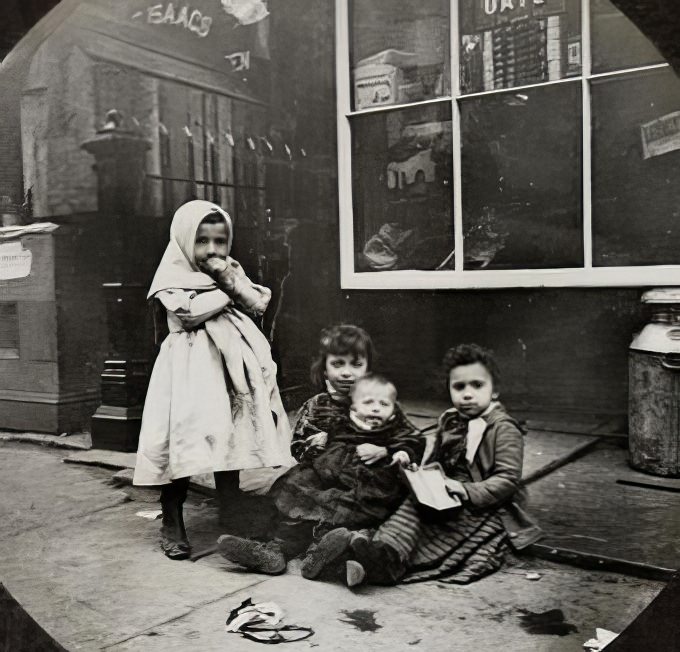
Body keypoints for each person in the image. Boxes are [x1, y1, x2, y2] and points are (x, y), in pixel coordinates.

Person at [133, 200, 293, 560]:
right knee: (187, 436)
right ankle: (172, 516)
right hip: (190, 368)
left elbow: (259, 301)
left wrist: (235, 284)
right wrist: (229, 289)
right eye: (201, 241)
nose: (211, 250)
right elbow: (189, 314)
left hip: (230, 364)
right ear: (184, 240)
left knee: (230, 431)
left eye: (219, 241)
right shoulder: (171, 274)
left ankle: (230, 506)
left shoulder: (229, 269)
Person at [317, 343, 543, 586]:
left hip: (484, 502)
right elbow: (436, 461)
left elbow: (507, 480)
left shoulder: (504, 429)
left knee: (439, 532)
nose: (467, 394)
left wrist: (466, 490)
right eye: (459, 387)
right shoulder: (450, 419)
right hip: (445, 490)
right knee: (407, 507)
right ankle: (369, 555)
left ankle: (382, 564)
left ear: (495, 391)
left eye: (477, 386)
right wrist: (421, 475)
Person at [216, 336, 422, 581]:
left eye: (356, 365)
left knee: (352, 512)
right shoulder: (317, 405)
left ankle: (320, 553)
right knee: (292, 489)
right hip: (322, 472)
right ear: (324, 370)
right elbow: (298, 446)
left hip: (363, 477)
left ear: (369, 370)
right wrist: (312, 443)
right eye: (338, 365)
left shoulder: (381, 402)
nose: (346, 373)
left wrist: (389, 450)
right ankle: (274, 550)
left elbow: (410, 436)